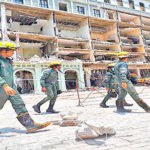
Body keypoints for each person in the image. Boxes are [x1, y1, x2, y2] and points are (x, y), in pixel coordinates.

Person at [0, 42, 50, 132]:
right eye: (12, 50)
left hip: (11, 88)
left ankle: (30, 125)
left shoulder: (7, 61)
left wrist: (11, 86)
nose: (13, 52)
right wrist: (4, 85)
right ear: (4, 50)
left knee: (19, 104)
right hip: (2, 88)